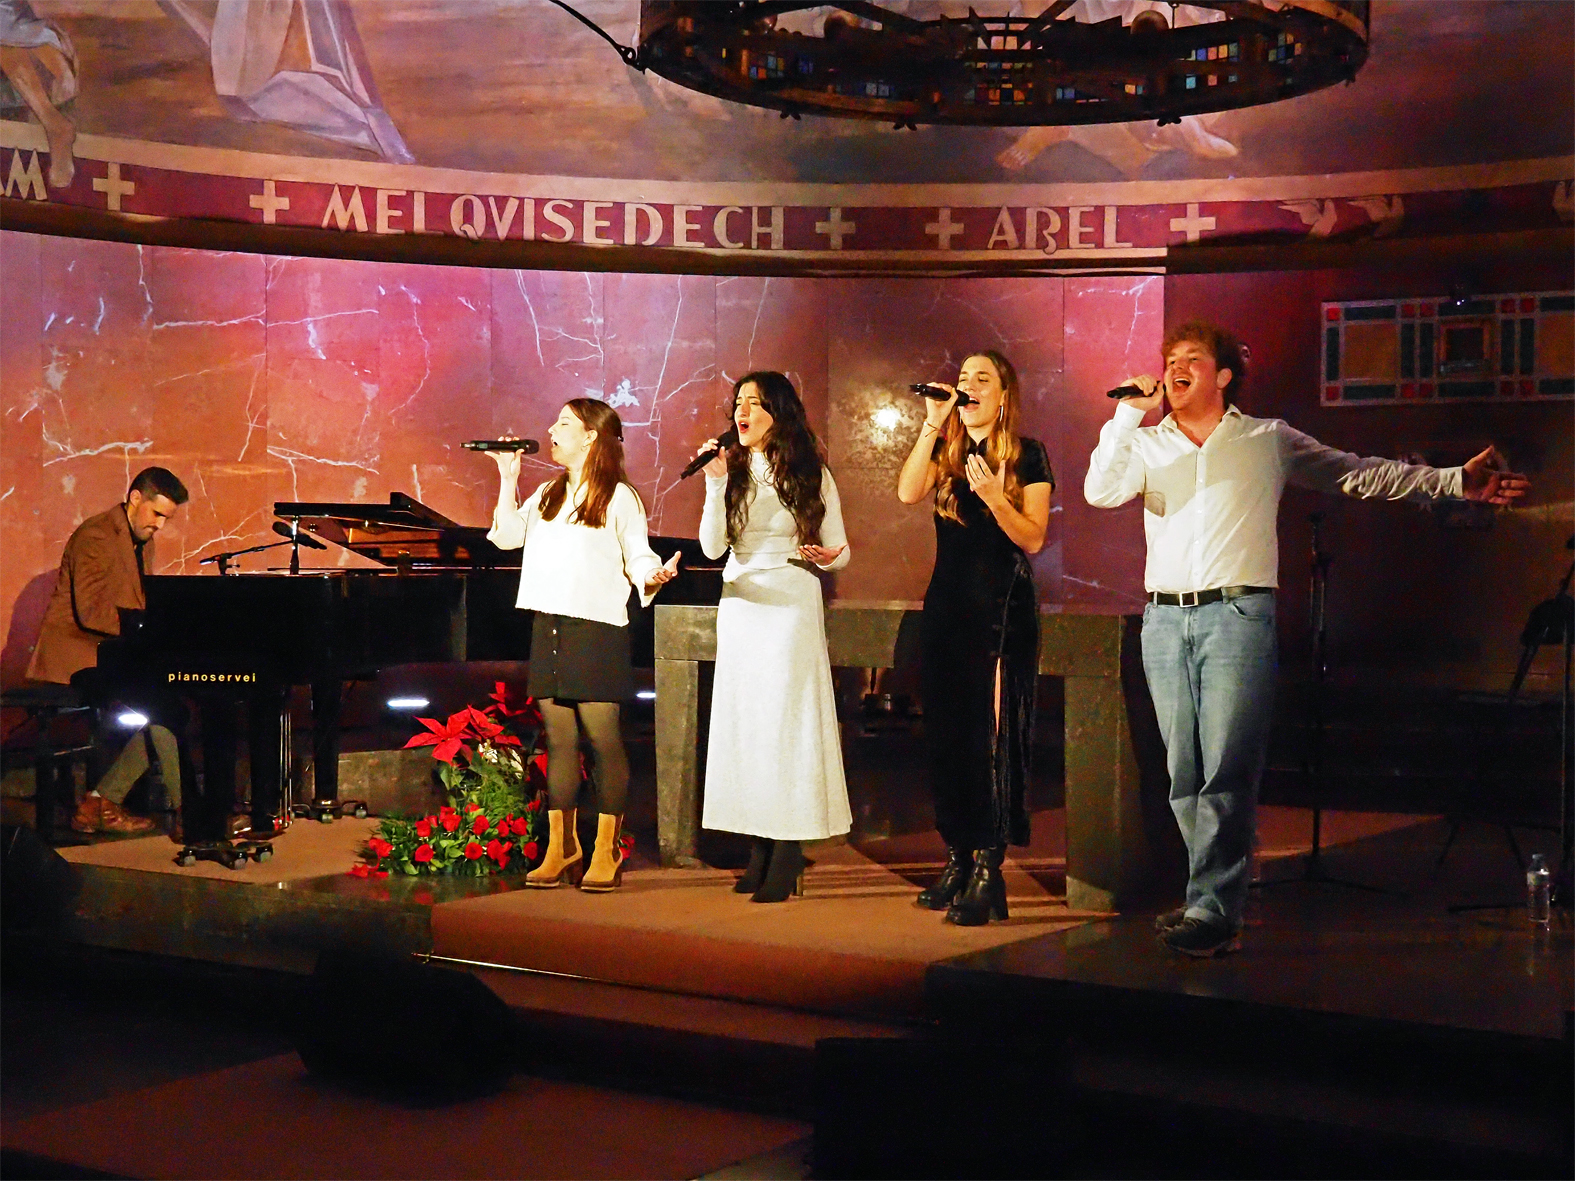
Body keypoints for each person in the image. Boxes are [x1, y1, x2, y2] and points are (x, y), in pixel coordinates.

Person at [1084, 320, 1531, 957]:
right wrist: (1127, 413)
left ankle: (1214, 909)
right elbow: (1100, 491)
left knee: (1227, 771)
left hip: (1238, 618)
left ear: (1223, 375)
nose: (1175, 368)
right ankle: (1203, 899)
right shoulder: (1148, 445)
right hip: (1164, 621)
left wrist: (1453, 480)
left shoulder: (1267, 440)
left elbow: (1359, 474)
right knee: (1183, 773)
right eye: (1169, 360)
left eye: (1191, 359)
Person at [486, 399, 679, 892]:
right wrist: (508, 479)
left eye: (565, 424)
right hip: (548, 623)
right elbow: (506, 538)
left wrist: (652, 574)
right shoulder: (549, 492)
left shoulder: (619, 496)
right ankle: (560, 846)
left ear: (591, 436)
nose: (551, 429)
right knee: (560, 741)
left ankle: (605, 848)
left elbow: (637, 552)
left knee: (603, 738)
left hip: (595, 628)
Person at [896, 352, 1054, 926]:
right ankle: (958, 857)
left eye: (980, 379)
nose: (968, 387)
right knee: (949, 735)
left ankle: (990, 866)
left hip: (1000, 606)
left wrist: (994, 498)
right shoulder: (948, 450)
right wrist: (935, 421)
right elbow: (908, 492)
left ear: (1003, 394)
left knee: (989, 736)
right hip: (948, 604)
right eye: (963, 380)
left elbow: (1033, 538)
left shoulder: (1027, 453)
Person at [696, 372, 852, 903]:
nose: (742, 412)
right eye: (738, 403)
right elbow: (713, 549)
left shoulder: (811, 471)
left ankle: (787, 846)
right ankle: (759, 842)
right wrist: (715, 482)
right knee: (749, 725)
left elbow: (842, 549)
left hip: (789, 598)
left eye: (755, 404)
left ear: (779, 414)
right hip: (740, 600)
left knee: (785, 723)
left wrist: (828, 558)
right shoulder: (731, 470)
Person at [26, 466, 189, 835]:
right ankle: (188, 812)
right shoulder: (97, 535)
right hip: (76, 656)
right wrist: (144, 632)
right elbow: (90, 611)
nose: (160, 525)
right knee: (163, 708)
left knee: (169, 706)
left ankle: (100, 801)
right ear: (135, 499)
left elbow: (137, 605)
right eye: (157, 514)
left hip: (110, 653)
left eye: (167, 517)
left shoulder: (140, 541)